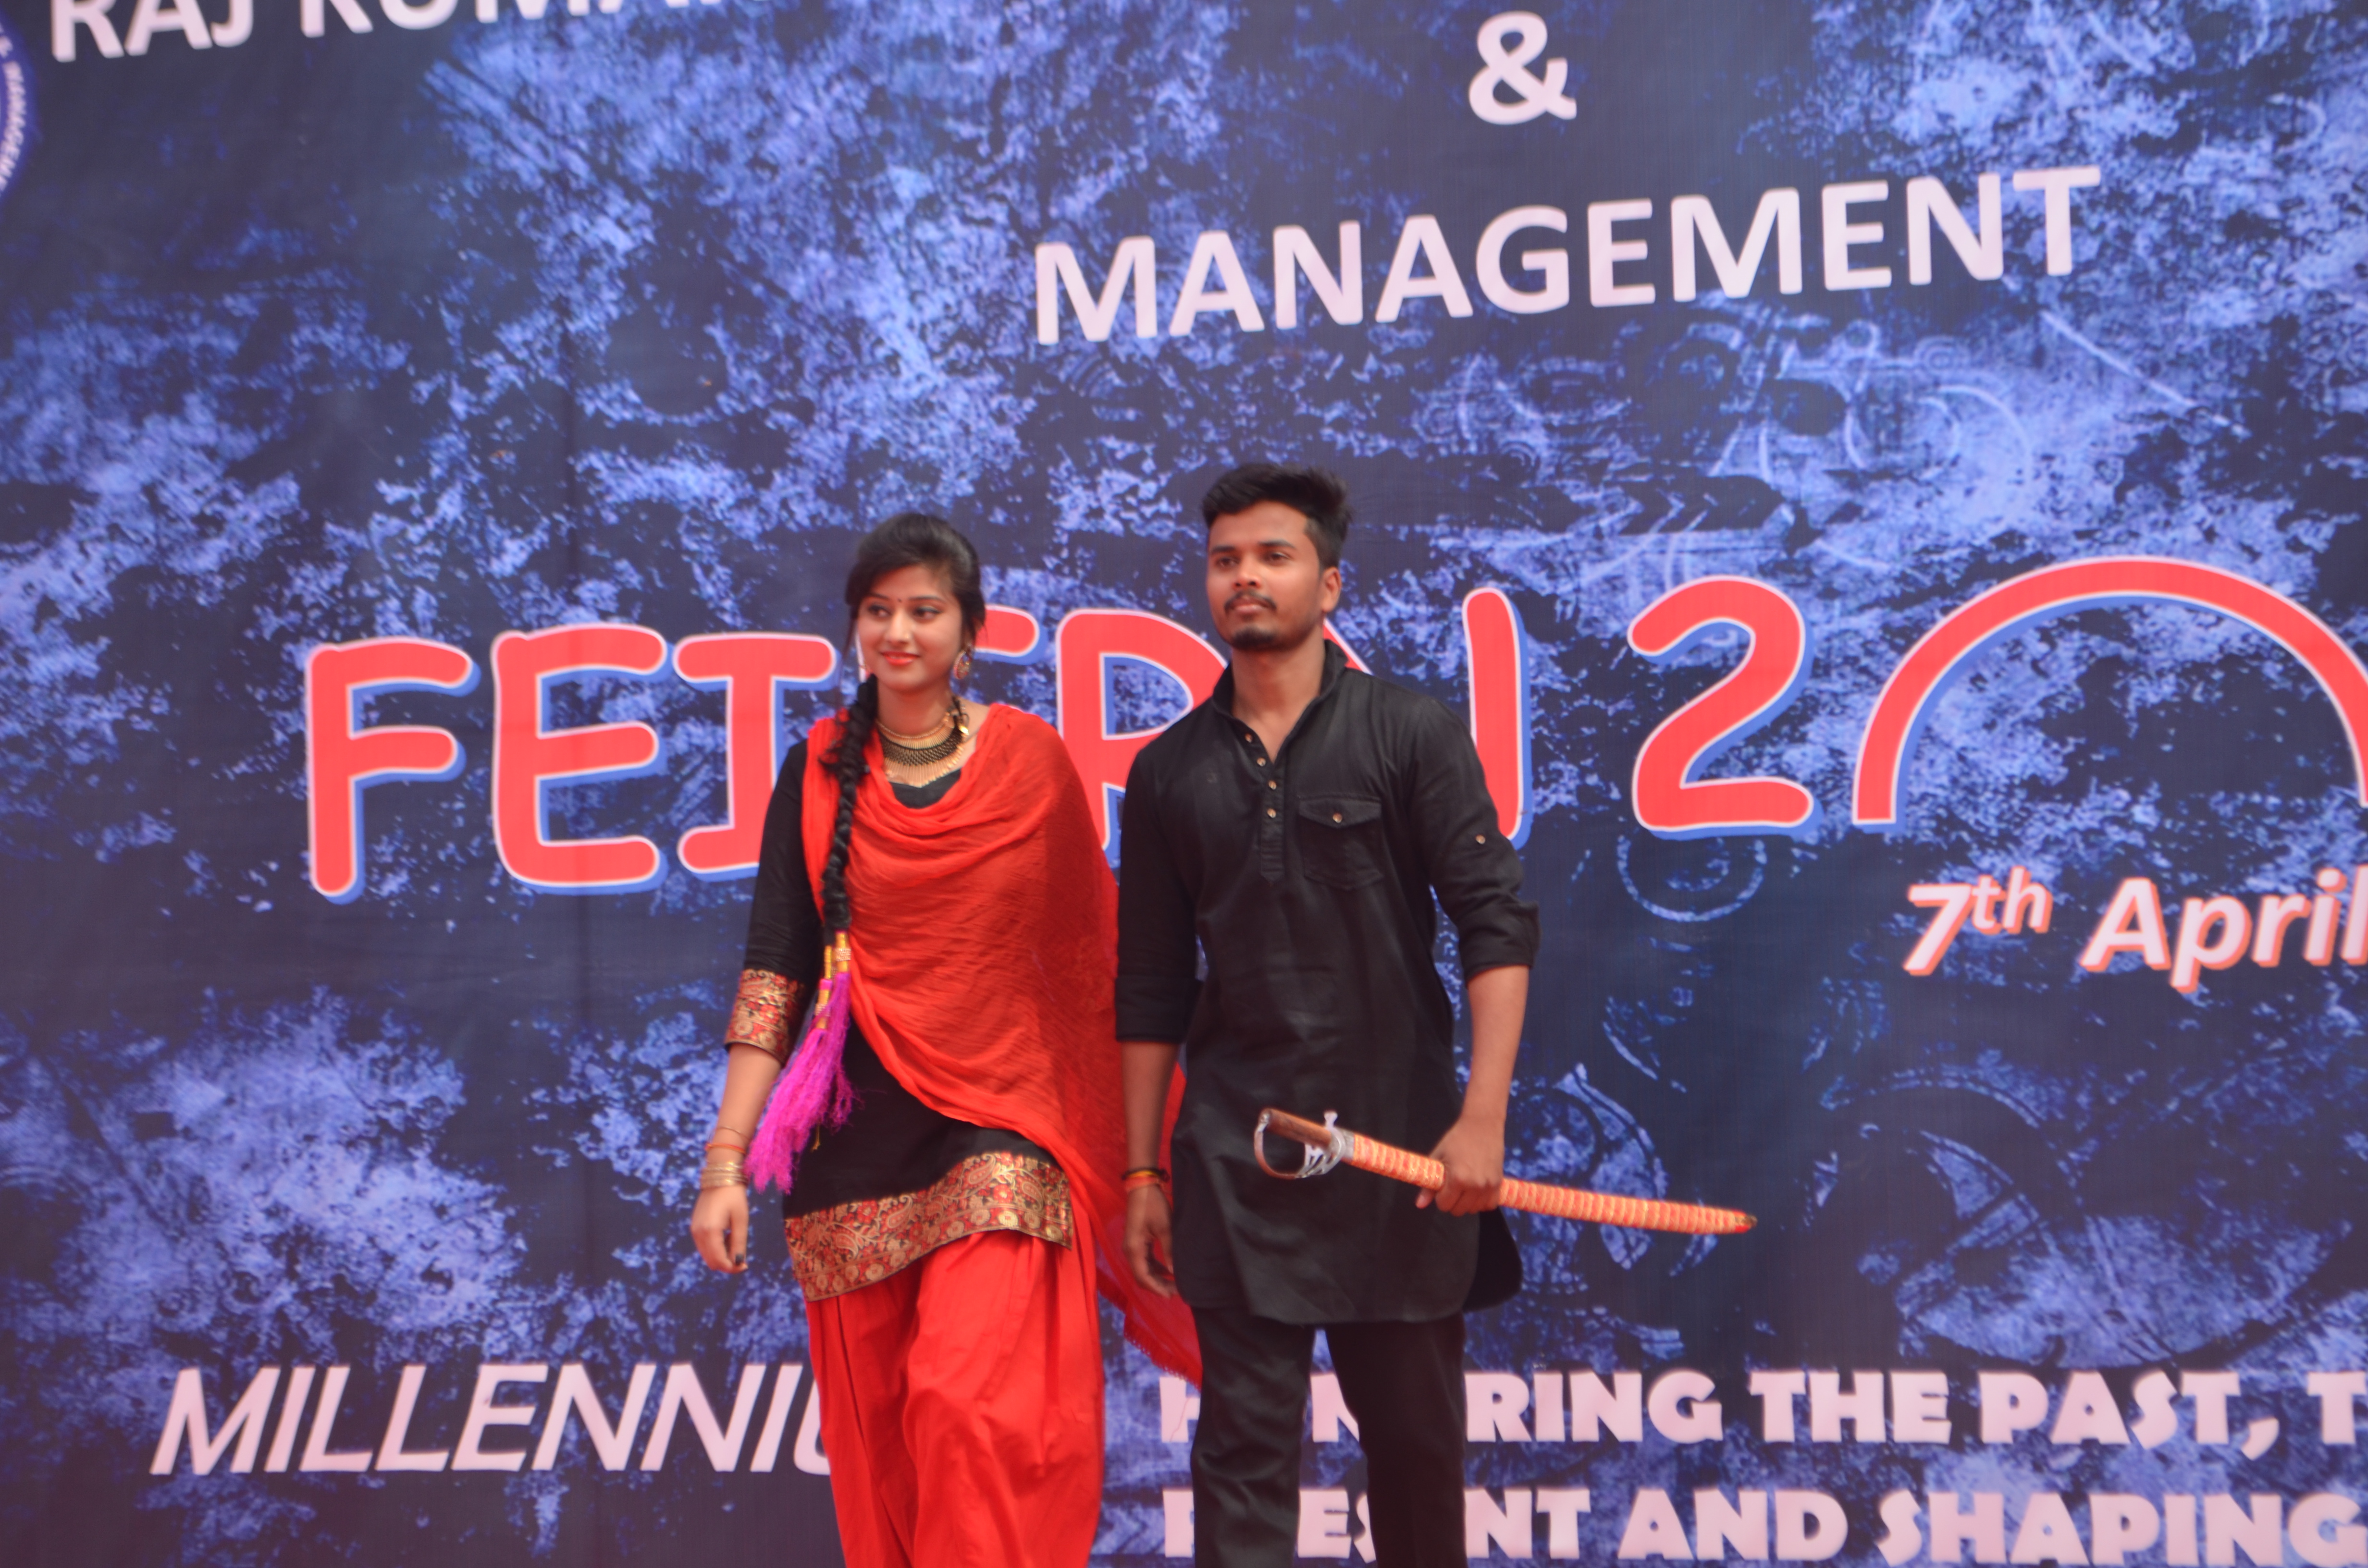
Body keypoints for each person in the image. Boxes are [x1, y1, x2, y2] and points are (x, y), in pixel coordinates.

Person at [689, 512, 1196, 1568]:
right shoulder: (816, 771)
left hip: (1005, 1129)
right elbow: (777, 971)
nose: (899, 632)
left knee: (967, 1412)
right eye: (879, 611)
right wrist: (726, 1162)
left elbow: (1090, 967)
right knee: (886, 1454)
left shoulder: (1029, 761)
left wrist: (1140, 1160)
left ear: (970, 631)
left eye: (925, 610)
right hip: (854, 1145)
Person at [1118, 464, 1539, 1567]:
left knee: (1416, 1457)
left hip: (1402, 1162)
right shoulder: (1165, 773)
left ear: (1330, 583)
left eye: (1274, 555)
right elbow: (1150, 984)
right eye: (1224, 560)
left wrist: (1481, 1120)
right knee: (1240, 1462)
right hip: (1237, 1162)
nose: (1244, 578)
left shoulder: (1409, 732)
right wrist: (1142, 1171)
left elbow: (1495, 924)